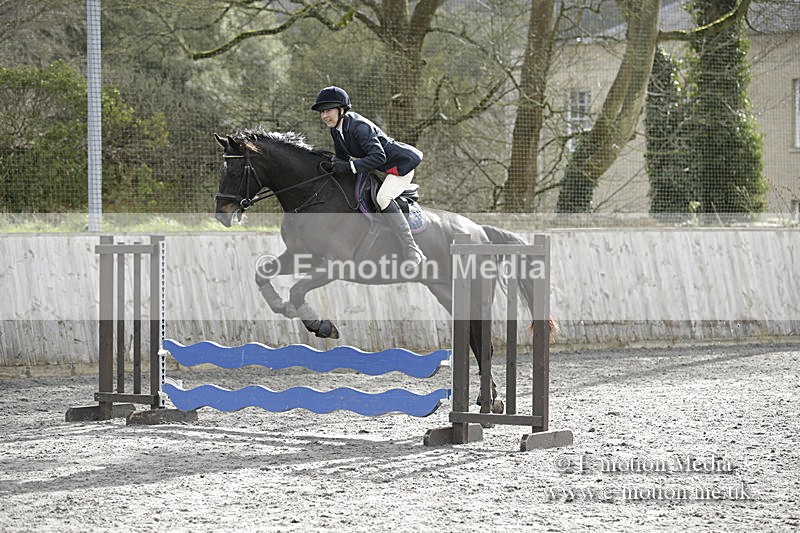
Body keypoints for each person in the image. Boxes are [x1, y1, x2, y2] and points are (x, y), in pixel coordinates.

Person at [312, 86, 426, 266]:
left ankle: (412, 249)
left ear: (341, 109)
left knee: (383, 198)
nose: (324, 116)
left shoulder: (359, 127)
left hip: (399, 166)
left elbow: (378, 157)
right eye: (322, 112)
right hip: (376, 168)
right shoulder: (336, 129)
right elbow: (341, 157)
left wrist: (349, 166)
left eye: (328, 110)